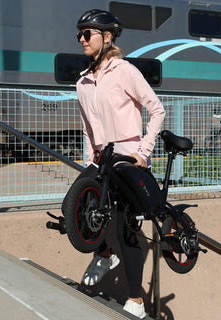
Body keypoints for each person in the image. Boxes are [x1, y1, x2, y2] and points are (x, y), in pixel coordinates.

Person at [69, 9, 166, 319]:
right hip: (101, 161)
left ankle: (136, 299)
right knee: (73, 206)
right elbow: (88, 128)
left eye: (88, 34)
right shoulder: (83, 82)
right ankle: (103, 252)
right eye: (80, 34)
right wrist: (88, 161)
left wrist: (144, 150)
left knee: (125, 228)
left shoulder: (124, 71)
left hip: (128, 160)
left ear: (107, 37)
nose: (82, 39)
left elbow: (157, 110)